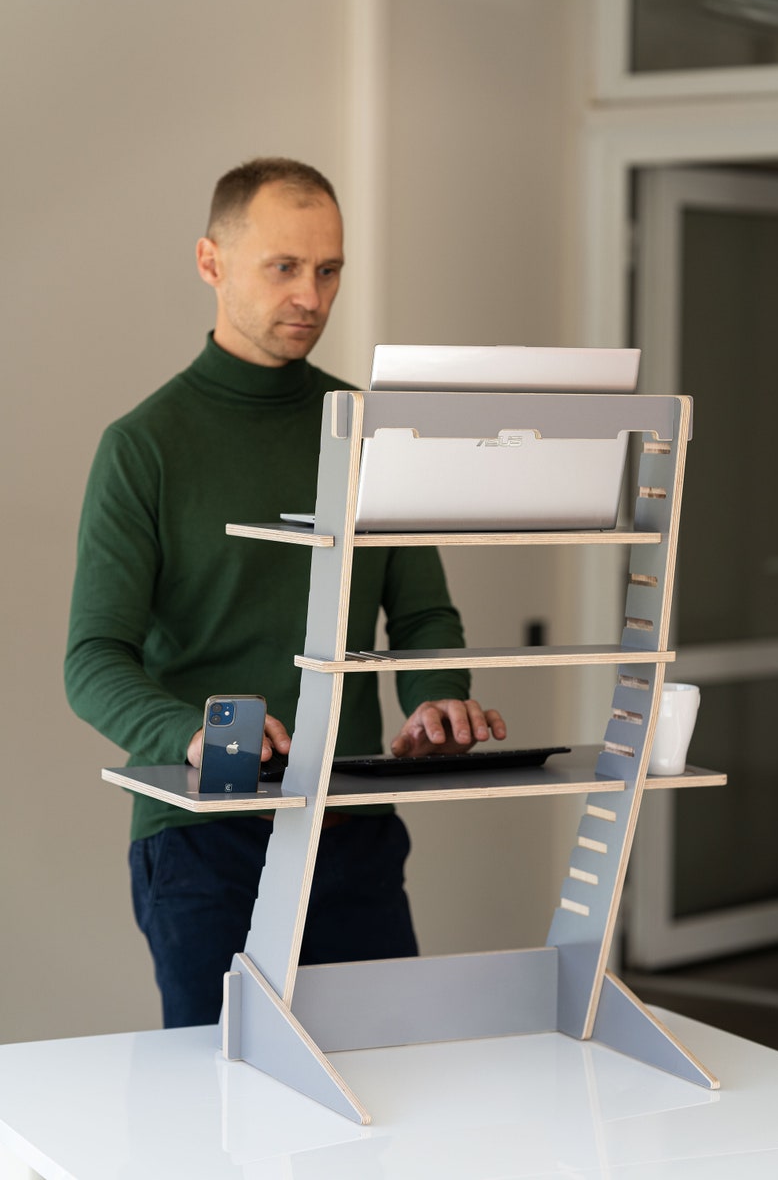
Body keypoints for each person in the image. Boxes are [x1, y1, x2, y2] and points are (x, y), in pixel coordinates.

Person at [65, 157, 506, 1028]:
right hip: (202, 847)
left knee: (386, 1111)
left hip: (354, 838)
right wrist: (189, 734)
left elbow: (419, 615)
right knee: (228, 1130)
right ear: (211, 262)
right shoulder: (143, 447)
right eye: (284, 267)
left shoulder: (371, 430)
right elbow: (93, 660)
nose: (312, 293)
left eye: (329, 269)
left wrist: (434, 702)